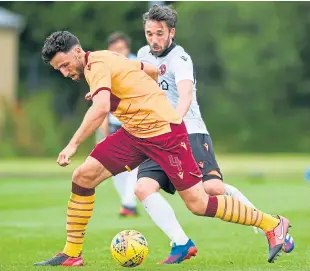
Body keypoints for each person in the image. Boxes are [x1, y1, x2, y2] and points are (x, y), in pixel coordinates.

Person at [34, 30, 292, 266]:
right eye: (59, 69)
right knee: (83, 176)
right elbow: (148, 69)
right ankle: (72, 253)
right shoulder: (106, 57)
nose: (65, 72)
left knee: (199, 203)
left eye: (65, 65)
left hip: (166, 135)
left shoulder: (97, 64)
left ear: (77, 51)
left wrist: (71, 145)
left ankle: (273, 224)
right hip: (135, 134)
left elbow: (101, 108)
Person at [134, 5, 295, 264]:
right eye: (149, 33)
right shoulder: (143, 54)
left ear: (171, 32)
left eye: (159, 33)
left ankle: (273, 225)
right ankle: (181, 244)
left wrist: (174, 121)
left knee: (211, 190)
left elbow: (185, 95)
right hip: (159, 137)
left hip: (190, 133)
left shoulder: (181, 60)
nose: (153, 39)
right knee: (143, 188)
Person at [96, 32, 138, 217]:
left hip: (136, 123)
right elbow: (101, 99)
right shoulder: (106, 69)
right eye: (114, 51)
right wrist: (103, 122)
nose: (118, 53)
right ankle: (128, 203)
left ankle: (129, 204)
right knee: (114, 168)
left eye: (121, 49)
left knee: (134, 166)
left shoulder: (138, 66)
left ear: (128, 49)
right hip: (115, 124)